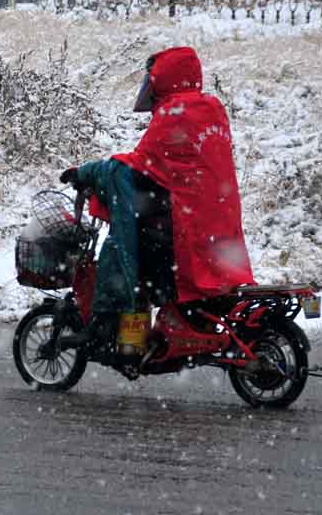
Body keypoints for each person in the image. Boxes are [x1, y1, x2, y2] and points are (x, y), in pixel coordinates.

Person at [60, 46, 255, 347]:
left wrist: (87, 172)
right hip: (218, 222)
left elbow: (137, 165)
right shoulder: (211, 107)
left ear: (163, 79)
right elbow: (178, 165)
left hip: (186, 225)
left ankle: (111, 324)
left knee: (121, 248)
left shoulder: (174, 113)